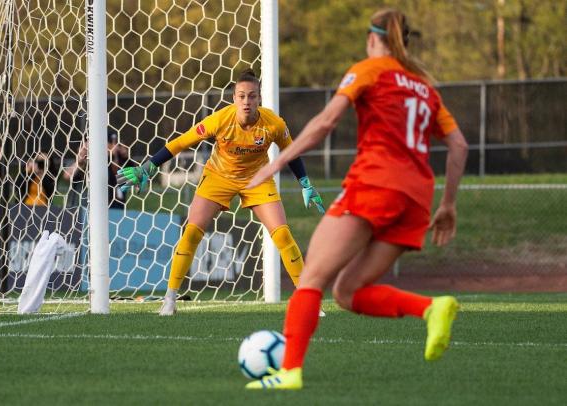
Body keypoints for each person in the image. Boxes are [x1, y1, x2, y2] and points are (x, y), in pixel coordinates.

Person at [244, 8, 469, 390]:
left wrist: (275, 163)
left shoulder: (369, 69)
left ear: (371, 38)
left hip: (375, 183)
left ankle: (290, 371)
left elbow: (326, 122)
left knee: (312, 276)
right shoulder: (425, 88)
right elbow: (459, 145)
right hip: (416, 199)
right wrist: (448, 205)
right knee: (347, 292)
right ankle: (431, 308)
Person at [117, 69, 325, 316]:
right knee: (192, 232)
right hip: (218, 178)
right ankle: (169, 299)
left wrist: (306, 184)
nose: (246, 101)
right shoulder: (219, 120)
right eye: (241, 96)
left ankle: (307, 301)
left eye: (252, 96)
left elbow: (291, 153)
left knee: (282, 236)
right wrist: (150, 166)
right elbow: (181, 142)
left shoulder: (274, 124)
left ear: (259, 98)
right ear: (234, 98)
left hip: (257, 180)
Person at [63, 132, 135, 209]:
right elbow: (67, 176)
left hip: (112, 210)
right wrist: (80, 162)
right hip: (80, 210)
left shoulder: (116, 165)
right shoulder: (81, 164)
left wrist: (117, 156)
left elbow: (130, 176)